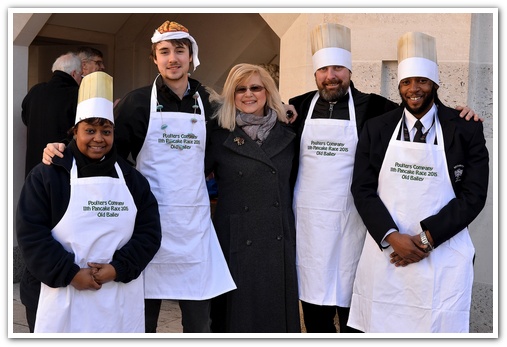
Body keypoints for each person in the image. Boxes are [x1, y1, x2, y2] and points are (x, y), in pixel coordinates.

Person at [42, 20, 236, 333]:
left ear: (191, 56)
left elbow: (233, 138)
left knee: (199, 322)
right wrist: (61, 149)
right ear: (155, 59)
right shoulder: (136, 102)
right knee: (142, 321)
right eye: (164, 51)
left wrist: (284, 109)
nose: (172, 58)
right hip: (145, 224)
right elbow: (102, 149)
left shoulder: (210, 104)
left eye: (179, 51)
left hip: (194, 227)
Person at [289, 23, 480, 333]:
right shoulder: (295, 108)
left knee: (359, 312)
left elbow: (421, 111)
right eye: (323, 68)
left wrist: (461, 115)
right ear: (315, 73)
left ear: (349, 70)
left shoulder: (377, 108)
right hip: (311, 231)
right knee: (314, 313)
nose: (330, 75)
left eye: (337, 67)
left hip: (361, 227)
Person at [347, 31, 489, 333]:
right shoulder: (377, 128)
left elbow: (473, 196)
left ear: (435, 83)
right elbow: (362, 188)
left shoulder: (465, 128)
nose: (414, 89)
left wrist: (426, 239)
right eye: (407, 82)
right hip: (387, 255)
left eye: (422, 81)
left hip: (442, 254)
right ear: (399, 86)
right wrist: (391, 236)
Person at [16, 71, 162, 333]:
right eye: (90, 130)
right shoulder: (47, 174)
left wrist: (118, 268)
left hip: (118, 294)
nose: (98, 138)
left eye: (106, 131)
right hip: (60, 292)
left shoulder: (132, 179)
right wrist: (70, 274)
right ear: (74, 131)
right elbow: (31, 234)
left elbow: (149, 233)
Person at [205, 63, 300, 333]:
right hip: (235, 238)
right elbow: (193, 178)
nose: (248, 94)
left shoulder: (290, 132)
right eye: (240, 89)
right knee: (236, 318)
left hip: (278, 237)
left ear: (268, 92)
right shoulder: (218, 134)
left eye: (256, 87)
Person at [21, 52, 83, 178]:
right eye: (81, 75)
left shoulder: (35, 91)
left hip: (34, 167)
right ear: (74, 74)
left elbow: (25, 118)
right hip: (61, 165)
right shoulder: (77, 94)